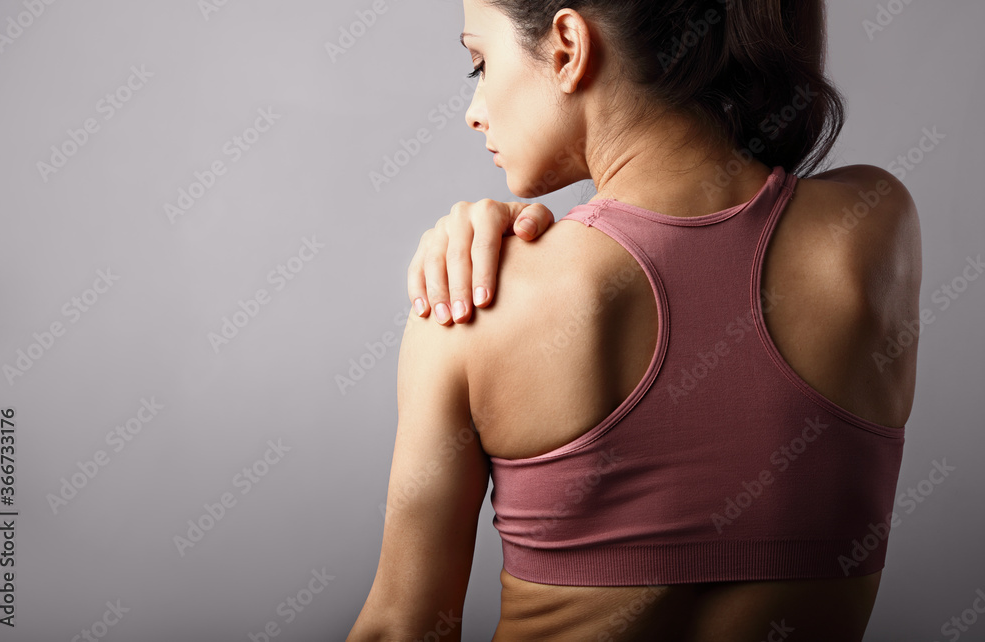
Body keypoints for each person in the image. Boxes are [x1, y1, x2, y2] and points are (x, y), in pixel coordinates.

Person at [348, 0, 921, 640]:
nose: (473, 109)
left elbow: (402, 630)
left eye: (478, 63)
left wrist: (523, 266)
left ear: (567, 46)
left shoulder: (473, 304)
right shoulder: (874, 230)